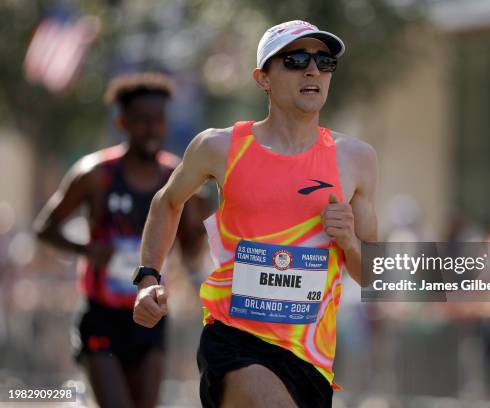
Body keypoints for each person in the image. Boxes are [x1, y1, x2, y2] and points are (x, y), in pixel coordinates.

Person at [133, 20, 378, 408]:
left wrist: (348, 241)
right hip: (234, 339)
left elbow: (372, 275)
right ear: (263, 78)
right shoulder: (219, 147)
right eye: (296, 60)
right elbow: (167, 201)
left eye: (323, 61)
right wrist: (148, 276)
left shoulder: (355, 159)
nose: (312, 70)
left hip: (311, 358)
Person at [34, 72, 205, 408]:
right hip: (101, 315)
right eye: (142, 121)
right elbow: (45, 227)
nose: (152, 130)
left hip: (151, 316)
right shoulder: (96, 174)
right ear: (123, 122)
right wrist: (85, 250)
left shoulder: (177, 180)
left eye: (158, 120)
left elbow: (190, 249)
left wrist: (197, 225)